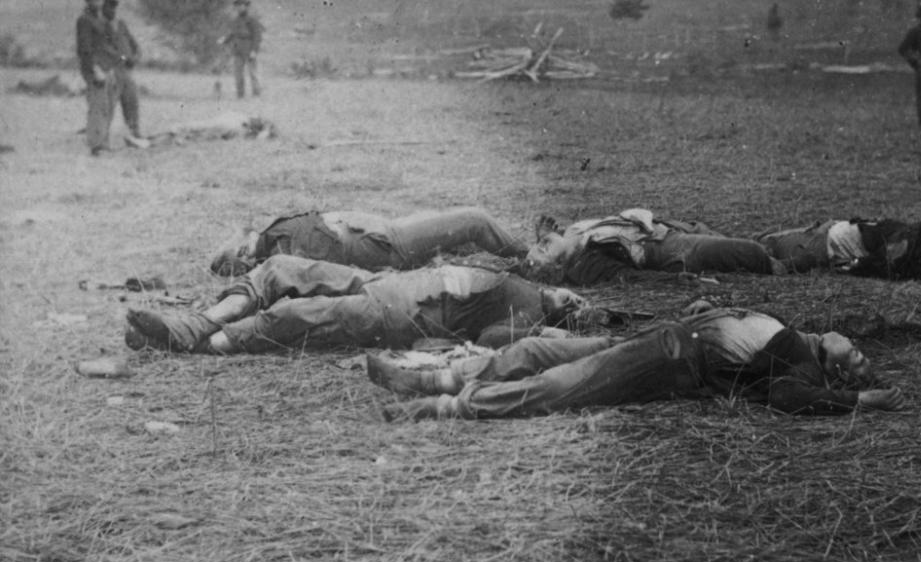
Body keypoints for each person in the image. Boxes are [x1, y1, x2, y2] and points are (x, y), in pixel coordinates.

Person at [370, 301, 904, 421]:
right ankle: (428, 377)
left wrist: (857, 399)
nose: (854, 351)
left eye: (854, 360)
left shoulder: (803, 366)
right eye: (858, 352)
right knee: (536, 349)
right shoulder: (800, 335)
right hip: (664, 335)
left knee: (563, 384)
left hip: (673, 361)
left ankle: (437, 407)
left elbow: (788, 398)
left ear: (834, 371)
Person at [124, 255, 595, 354]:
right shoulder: (521, 282)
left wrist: (536, 330)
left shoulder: (529, 313)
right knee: (283, 267)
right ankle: (196, 321)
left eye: (573, 304)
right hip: (390, 282)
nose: (571, 296)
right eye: (576, 293)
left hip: (398, 314)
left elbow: (492, 340)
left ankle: (186, 342)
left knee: (290, 315)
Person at [210, 207, 529, 276]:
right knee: (475, 220)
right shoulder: (283, 248)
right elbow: (333, 271)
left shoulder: (276, 239)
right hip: (392, 244)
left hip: (386, 232)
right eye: (243, 239)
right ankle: (534, 258)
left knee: (465, 226)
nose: (250, 230)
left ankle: (530, 256)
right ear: (243, 252)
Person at [524, 208, 778, 285]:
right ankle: (788, 267)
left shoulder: (572, 233)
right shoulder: (585, 265)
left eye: (539, 244)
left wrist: (546, 237)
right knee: (752, 252)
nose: (540, 245)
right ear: (559, 267)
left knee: (767, 244)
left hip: (677, 228)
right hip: (677, 250)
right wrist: (679, 281)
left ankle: (793, 248)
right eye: (543, 251)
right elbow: (630, 278)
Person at [756, 208, 921, 280]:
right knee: (769, 246)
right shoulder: (915, 255)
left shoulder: (919, 241)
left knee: (766, 245)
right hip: (828, 239)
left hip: (828, 240)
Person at [75, 0, 125, 155]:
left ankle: (104, 142)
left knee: (109, 106)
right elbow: (85, 48)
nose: (98, 2)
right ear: (88, 1)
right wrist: (94, 69)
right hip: (97, 68)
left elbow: (111, 43)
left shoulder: (102, 20)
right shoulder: (84, 20)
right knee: (97, 106)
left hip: (108, 67)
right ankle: (96, 145)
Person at [101, 0, 145, 142]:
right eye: (108, 7)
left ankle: (134, 132)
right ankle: (101, 137)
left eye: (114, 7)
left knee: (131, 100)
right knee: (109, 105)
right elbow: (104, 48)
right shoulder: (100, 27)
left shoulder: (121, 24)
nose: (112, 10)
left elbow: (134, 44)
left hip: (127, 71)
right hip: (112, 71)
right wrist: (123, 58)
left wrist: (136, 56)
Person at [221, 0, 263, 98]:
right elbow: (233, 33)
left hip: (249, 49)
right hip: (237, 50)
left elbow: (257, 36)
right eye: (237, 6)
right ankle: (240, 95)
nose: (239, 8)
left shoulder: (252, 20)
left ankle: (256, 95)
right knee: (238, 74)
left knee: (253, 74)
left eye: (242, 6)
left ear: (246, 7)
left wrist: (254, 51)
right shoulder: (235, 20)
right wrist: (224, 40)